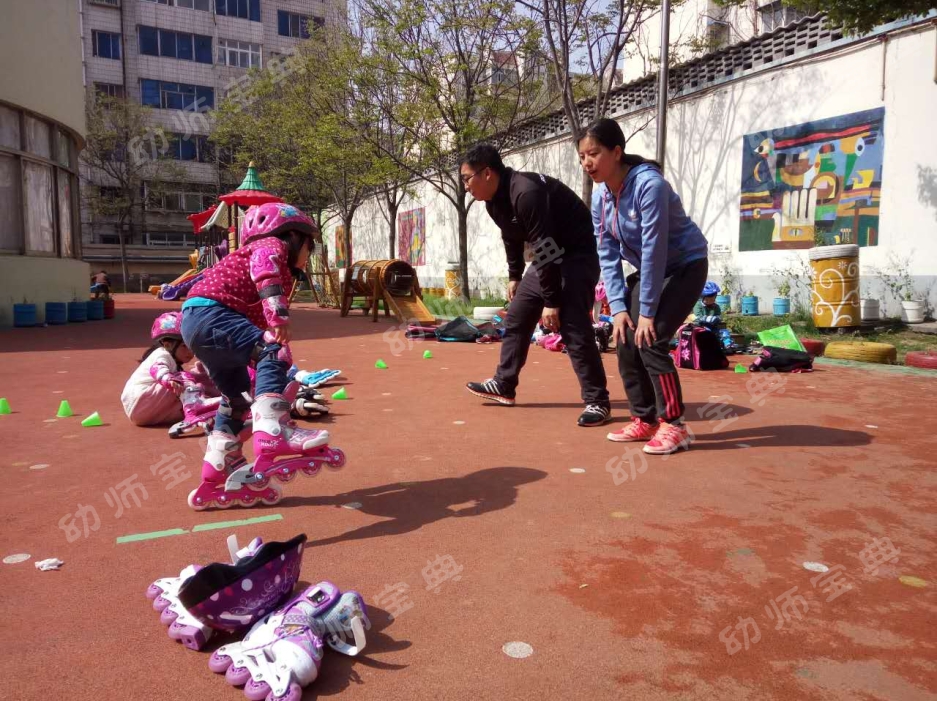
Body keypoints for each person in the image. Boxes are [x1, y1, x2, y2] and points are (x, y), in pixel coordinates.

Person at [180, 201, 340, 510]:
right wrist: (278, 320)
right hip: (214, 315)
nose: (309, 256)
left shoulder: (258, 260)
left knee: (237, 397)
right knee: (275, 349)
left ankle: (220, 458)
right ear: (293, 237)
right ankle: (273, 430)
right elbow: (265, 274)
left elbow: (252, 324)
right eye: (310, 247)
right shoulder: (270, 246)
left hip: (197, 321)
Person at [578, 118, 709, 454]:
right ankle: (645, 418)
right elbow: (606, 255)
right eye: (581, 157)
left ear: (617, 152)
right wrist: (619, 309)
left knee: (651, 339)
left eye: (593, 153)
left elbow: (654, 251)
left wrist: (648, 313)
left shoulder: (650, 186)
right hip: (653, 271)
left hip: (684, 267)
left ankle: (674, 425)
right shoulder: (601, 198)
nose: (587, 162)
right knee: (624, 335)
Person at [461, 143, 612, 427]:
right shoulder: (494, 201)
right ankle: (504, 384)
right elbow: (511, 237)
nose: (466, 187)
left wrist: (551, 302)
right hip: (550, 258)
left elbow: (546, 248)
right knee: (517, 317)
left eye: (467, 179)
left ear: (488, 173)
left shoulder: (525, 192)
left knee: (572, 324)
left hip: (577, 256)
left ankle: (597, 401)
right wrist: (515, 275)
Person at [120, 311, 208, 427]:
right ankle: (198, 405)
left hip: (145, 413)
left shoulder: (173, 362)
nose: (190, 352)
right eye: (184, 346)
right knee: (185, 378)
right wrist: (167, 378)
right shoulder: (162, 354)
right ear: (167, 345)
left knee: (195, 382)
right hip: (140, 401)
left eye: (191, 346)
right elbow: (157, 368)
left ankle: (215, 403)